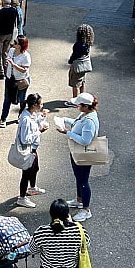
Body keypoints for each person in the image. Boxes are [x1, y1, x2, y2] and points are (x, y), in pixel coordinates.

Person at [56, 93, 100, 222]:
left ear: (86, 106)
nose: (77, 106)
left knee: (83, 181)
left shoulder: (90, 121)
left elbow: (85, 141)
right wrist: (65, 120)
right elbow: (76, 124)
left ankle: (86, 209)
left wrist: (67, 132)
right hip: (77, 151)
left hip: (84, 153)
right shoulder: (84, 115)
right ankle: (79, 200)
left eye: (79, 105)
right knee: (79, 177)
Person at [15, 92, 48, 208]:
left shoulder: (31, 114)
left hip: (33, 149)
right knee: (26, 174)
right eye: (41, 104)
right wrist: (40, 131)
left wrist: (42, 117)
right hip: (28, 150)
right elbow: (25, 139)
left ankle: (32, 188)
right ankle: (22, 198)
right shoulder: (26, 119)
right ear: (34, 105)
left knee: (35, 168)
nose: (42, 106)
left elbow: (35, 122)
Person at [0, 35, 31, 128]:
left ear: (20, 46)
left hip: (21, 80)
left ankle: (21, 116)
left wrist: (13, 64)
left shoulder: (26, 56)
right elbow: (8, 62)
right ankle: (3, 119)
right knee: (7, 99)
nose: (13, 43)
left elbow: (24, 70)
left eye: (16, 42)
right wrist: (7, 65)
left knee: (22, 99)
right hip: (10, 78)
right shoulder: (11, 51)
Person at [66, 24, 94, 107]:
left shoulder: (78, 44)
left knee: (75, 84)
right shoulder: (88, 43)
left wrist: (70, 61)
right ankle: (82, 98)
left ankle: (75, 101)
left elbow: (75, 55)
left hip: (77, 66)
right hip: (84, 66)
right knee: (82, 82)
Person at [0, 0, 18, 79]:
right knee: (5, 52)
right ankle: (6, 69)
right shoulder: (14, 10)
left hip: (0, 35)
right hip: (9, 34)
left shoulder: (1, 12)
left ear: (2, 2)